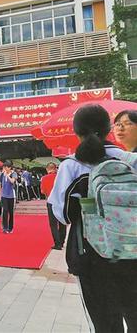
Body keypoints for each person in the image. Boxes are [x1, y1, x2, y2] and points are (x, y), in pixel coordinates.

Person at [49, 104, 137, 332]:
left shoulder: (71, 165)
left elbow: (63, 214)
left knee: (105, 324)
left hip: (91, 253)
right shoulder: (130, 159)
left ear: (77, 132)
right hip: (132, 249)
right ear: (109, 129)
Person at [41, 162, 65, 250]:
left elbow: (42, 191)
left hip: (51, 201)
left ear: (47, 169)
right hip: (61, 201)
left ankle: (57, 243)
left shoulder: (44, 178)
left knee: (53, 224)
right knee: (62, 221)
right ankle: (62, 241)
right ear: (55, 169)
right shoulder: (61, 177)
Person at [0, 160, 17, 234]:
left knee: (11, 212)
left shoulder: (14, 173)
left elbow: (13, 181)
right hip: (4, 195)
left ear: (10, 167)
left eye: (6, 167)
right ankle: (5, 227)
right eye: (4, 167)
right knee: (5, 211)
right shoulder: (2, 174)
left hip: (11, 195)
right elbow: (0, 183)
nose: (5, 168)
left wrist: (8, 176)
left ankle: (10, 227)